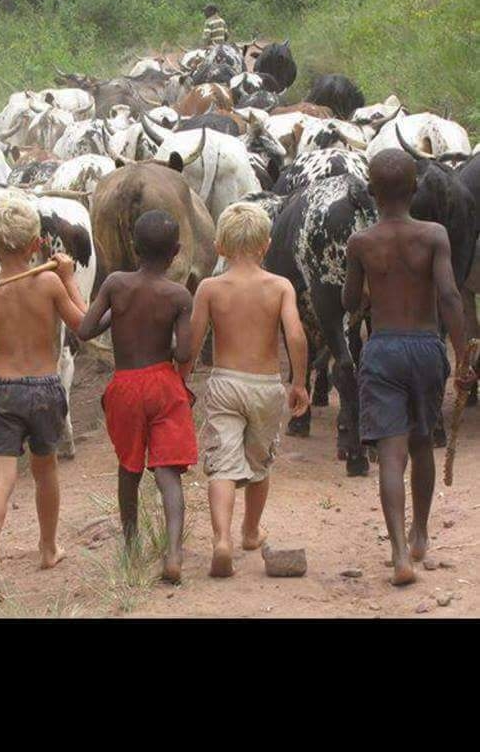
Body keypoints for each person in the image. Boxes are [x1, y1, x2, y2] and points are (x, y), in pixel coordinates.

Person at [342, 148, 476, 587]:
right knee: (422, 444)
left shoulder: (361, 243)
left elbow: (348, 301)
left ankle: (398, 552)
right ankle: (420, 535)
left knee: (391, 456)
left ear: (372, 192)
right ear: (415, 188)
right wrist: (463, 355)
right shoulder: (435, 235)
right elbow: (451, 296)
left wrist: (366, 289)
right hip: (425, 346)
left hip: (382, 349)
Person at [0, 195, 87, 605]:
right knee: (45, 470)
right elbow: (83, 324)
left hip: (2, 390)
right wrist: (69, 277)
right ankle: (48, 548)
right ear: (37, 245)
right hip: (45, 388)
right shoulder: (48, 281)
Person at [180, 202, 309, 578]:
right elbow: (296, 335)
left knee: (222, 463)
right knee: (259, 463)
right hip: (265, 385)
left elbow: (193, 337)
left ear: (219, 246)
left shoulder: (209, 288)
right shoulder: (280, 286)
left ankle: (221, 540)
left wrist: (182, 377)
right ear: (266, 245)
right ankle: (250, 531)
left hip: (225, 383)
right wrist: (298, 382)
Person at [77, 210, 197, 585]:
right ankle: (173, 553)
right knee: (168, 471)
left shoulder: (115, 284)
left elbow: (84, 329)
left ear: (133, 246)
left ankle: (131, 548)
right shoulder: (179, 295)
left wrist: (116, 315)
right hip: (163, 385)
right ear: (176, 252)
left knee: (129, 468)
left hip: (125, 386)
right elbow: (183, 355)